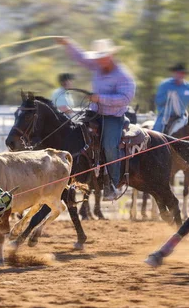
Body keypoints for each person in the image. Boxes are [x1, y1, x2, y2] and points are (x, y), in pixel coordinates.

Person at [56, 37, 136, 200]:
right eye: (98, 58)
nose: (99, 61)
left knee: (109, 146)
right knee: (73, 133)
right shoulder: (99, 66)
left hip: (113, 117)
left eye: (102, 58)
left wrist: (100, 98)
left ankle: (113, 184)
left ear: (110, 57)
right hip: (94, 113)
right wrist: (68, 44)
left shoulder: (123, 76)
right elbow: (82, 57)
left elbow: (125, 98)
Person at [153, 63, 189, 134]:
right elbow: (158, 101)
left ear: (185, 75)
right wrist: (168, 96)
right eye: (178, 73)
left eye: (182, 73)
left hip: (181, 116)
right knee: (156, 133)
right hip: (165, 117)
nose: (180, 75)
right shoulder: (165, 85)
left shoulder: (188, 87)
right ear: (174, 73)